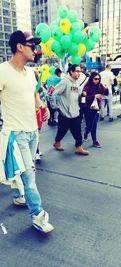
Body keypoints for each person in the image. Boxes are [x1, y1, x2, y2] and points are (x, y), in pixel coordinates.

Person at [0, 30, 54, 233]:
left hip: (33, 133)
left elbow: (33, 95)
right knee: (29, 177)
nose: (37, 50)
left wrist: (42, 106)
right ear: (19, 47)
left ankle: (17, 196)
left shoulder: (31, 73)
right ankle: (38, 216)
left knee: (25, 172)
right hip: (16, 135)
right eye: (33, 46)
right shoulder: (2, 71)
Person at [52, 64, 89, 155]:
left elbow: (77, 93)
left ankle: (78, 147)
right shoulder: (65, 82)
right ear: (71, 72)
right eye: (77, 71)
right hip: (65, 113)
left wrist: (83, 94)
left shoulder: (76, 82)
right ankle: (57, 142)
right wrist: (55, 106)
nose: (79, 73)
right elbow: (53, 93)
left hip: (75, 112)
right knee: (62, 130)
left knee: (77, 131)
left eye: (80, 71)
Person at [81, 72, 106, 147]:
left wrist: (106, 89)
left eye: (98, 79)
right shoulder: (87, 86)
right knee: (90, 124)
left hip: (96, 108)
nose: (97, 80)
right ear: (91, 78)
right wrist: (94, 96)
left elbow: (104, 92)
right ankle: (86, 133)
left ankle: (94, 141)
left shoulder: (99, 85)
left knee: (94, 124)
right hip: (87, 108)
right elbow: (84, 98)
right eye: (95, 79)